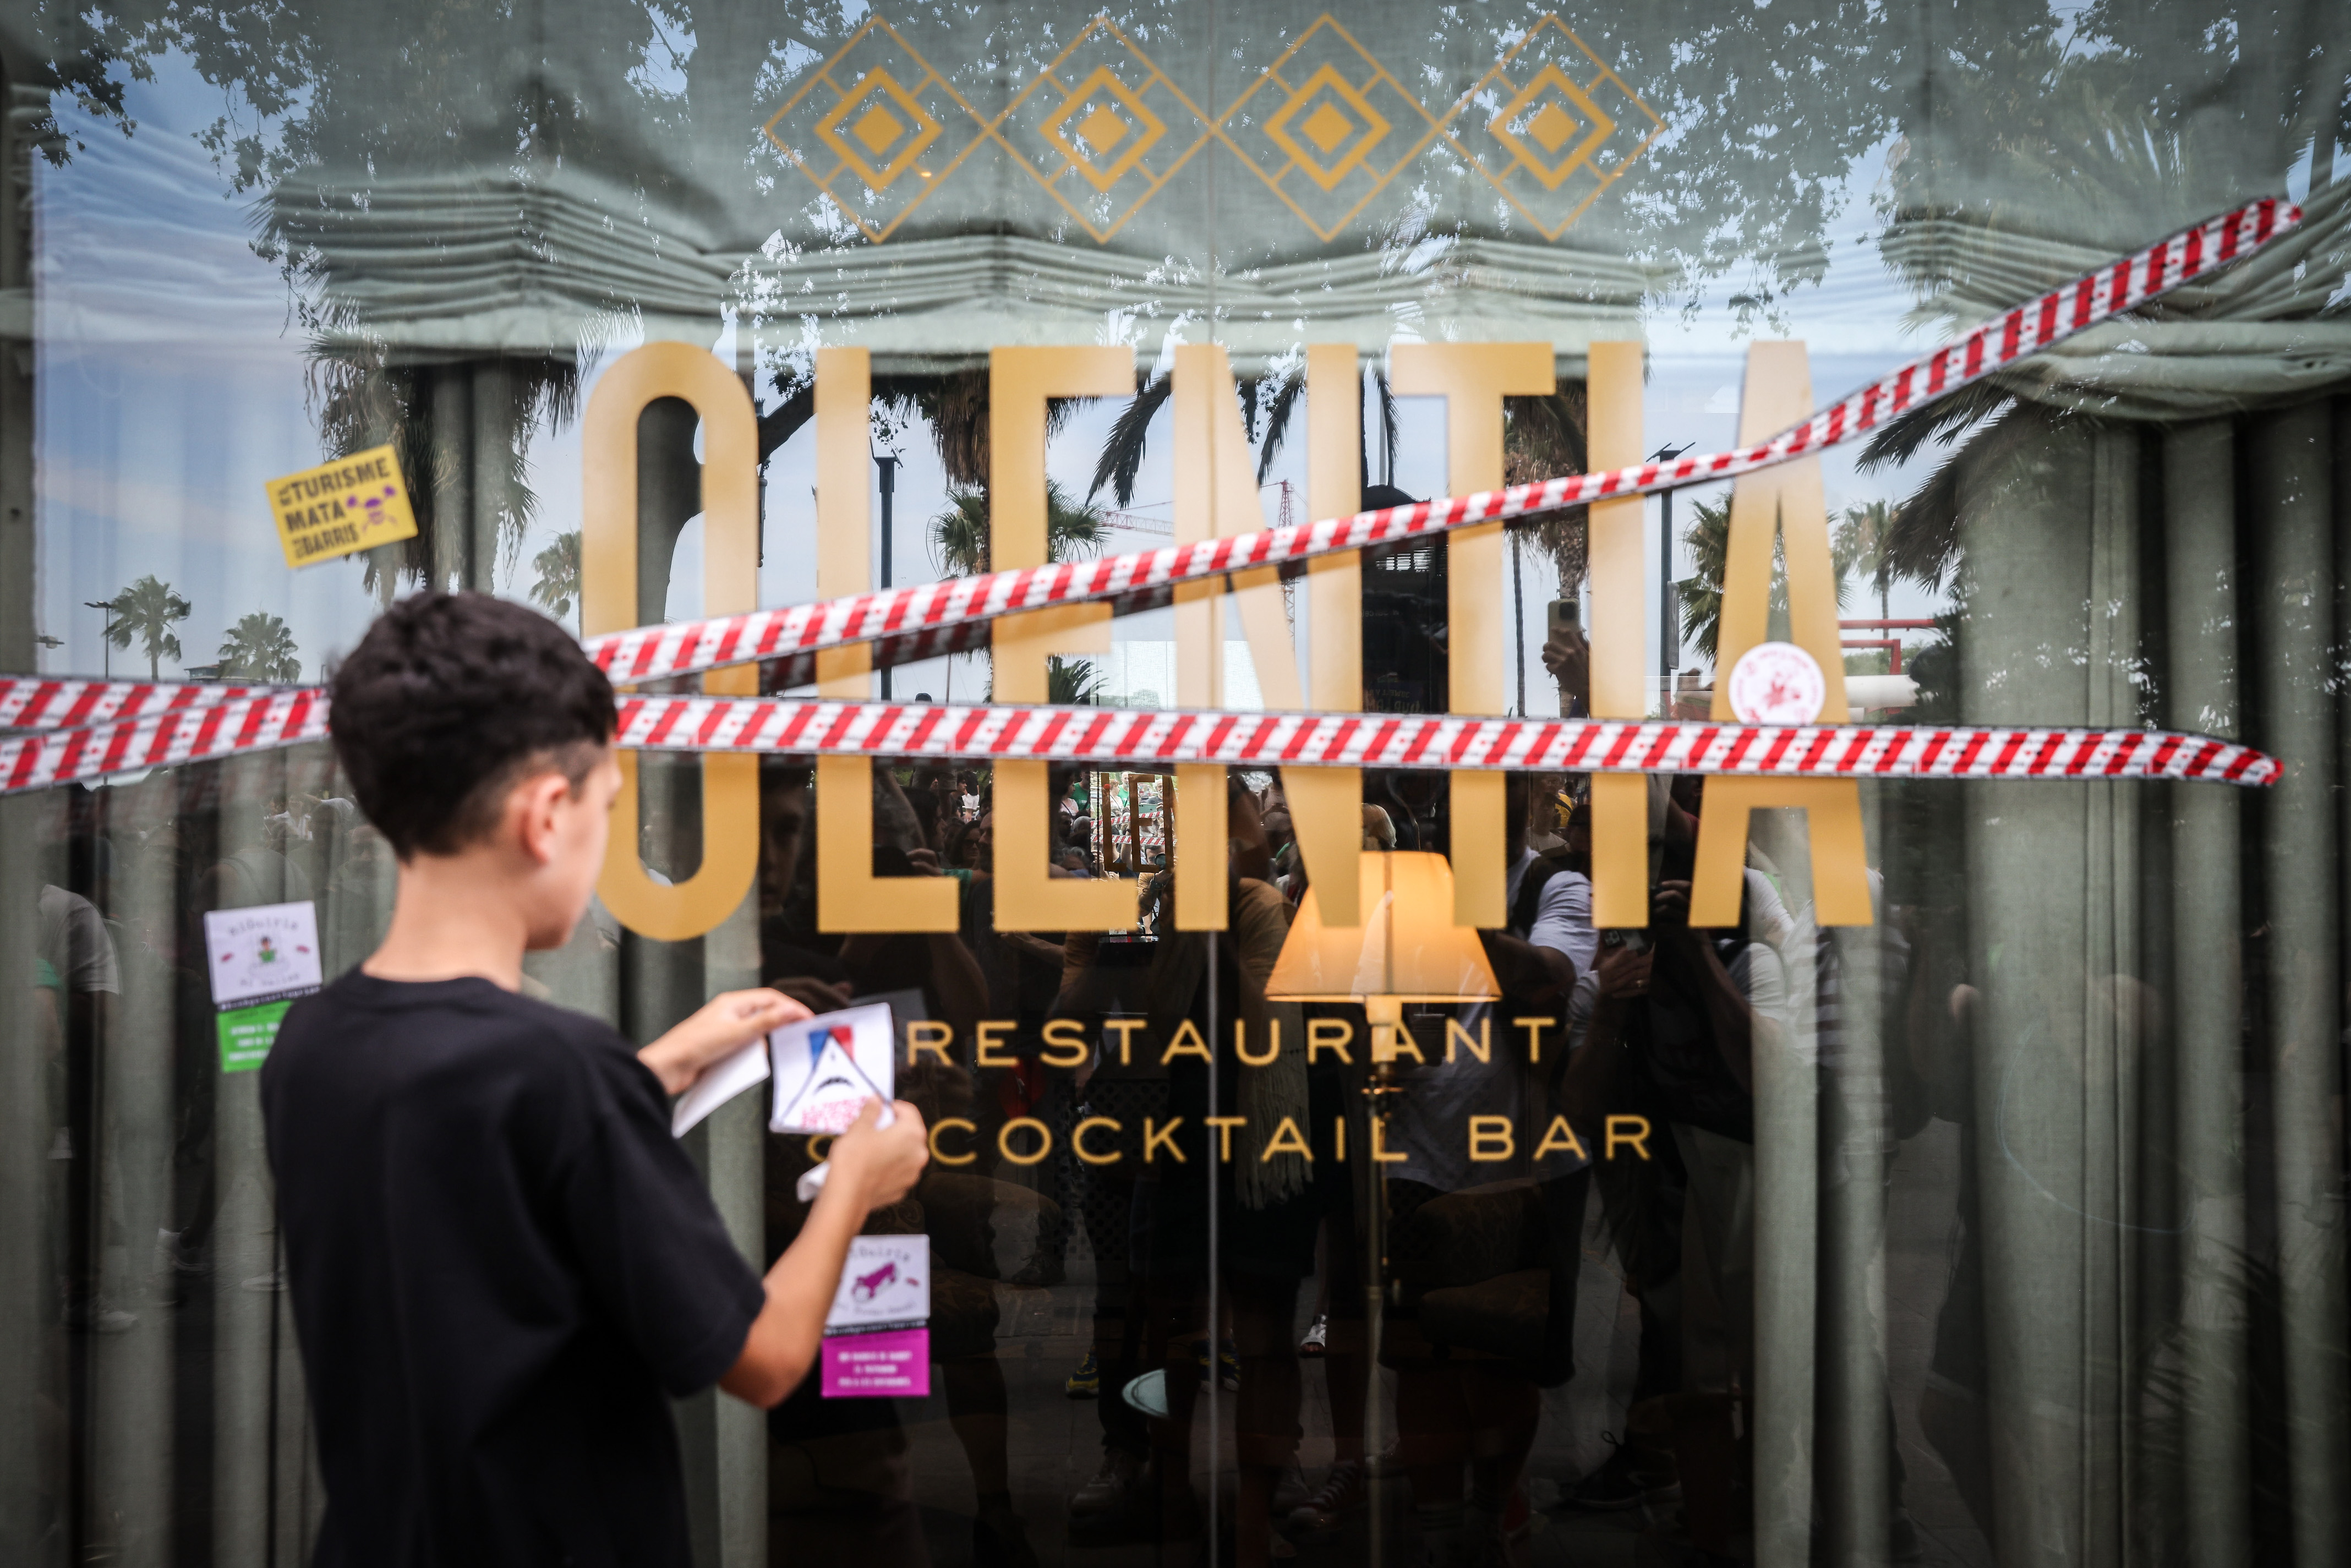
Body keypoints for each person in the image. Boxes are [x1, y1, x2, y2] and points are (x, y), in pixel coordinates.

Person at [260, 591, 929, 1568]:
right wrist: (859, 1179)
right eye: (608, 812)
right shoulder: (563, 1073)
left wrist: (657, 1066)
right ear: (546, 816)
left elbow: (474, 1158)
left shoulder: (313, 1041)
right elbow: (769, 1355)